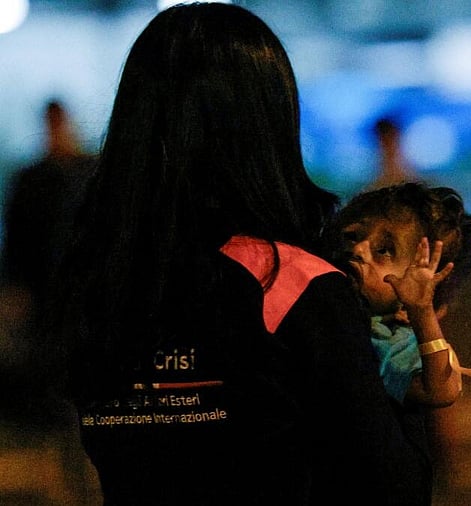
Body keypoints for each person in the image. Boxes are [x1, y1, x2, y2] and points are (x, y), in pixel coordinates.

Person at [43, 4, 431, 505]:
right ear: (267, 126)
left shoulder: (100, 280)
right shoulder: (290, 284)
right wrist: (397, 353)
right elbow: (392, 487)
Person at [328, 182, 471, 491]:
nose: (358, 249)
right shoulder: (325, 300)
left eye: (384, 251)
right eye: (353, 234)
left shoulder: (388, 337)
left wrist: (423, 316)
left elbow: (441, 391)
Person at [1, 99, 94, 425]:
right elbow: (17, 239)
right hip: (45, 283)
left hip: (80, 283)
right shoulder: (34, 178)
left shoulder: (85, 171)